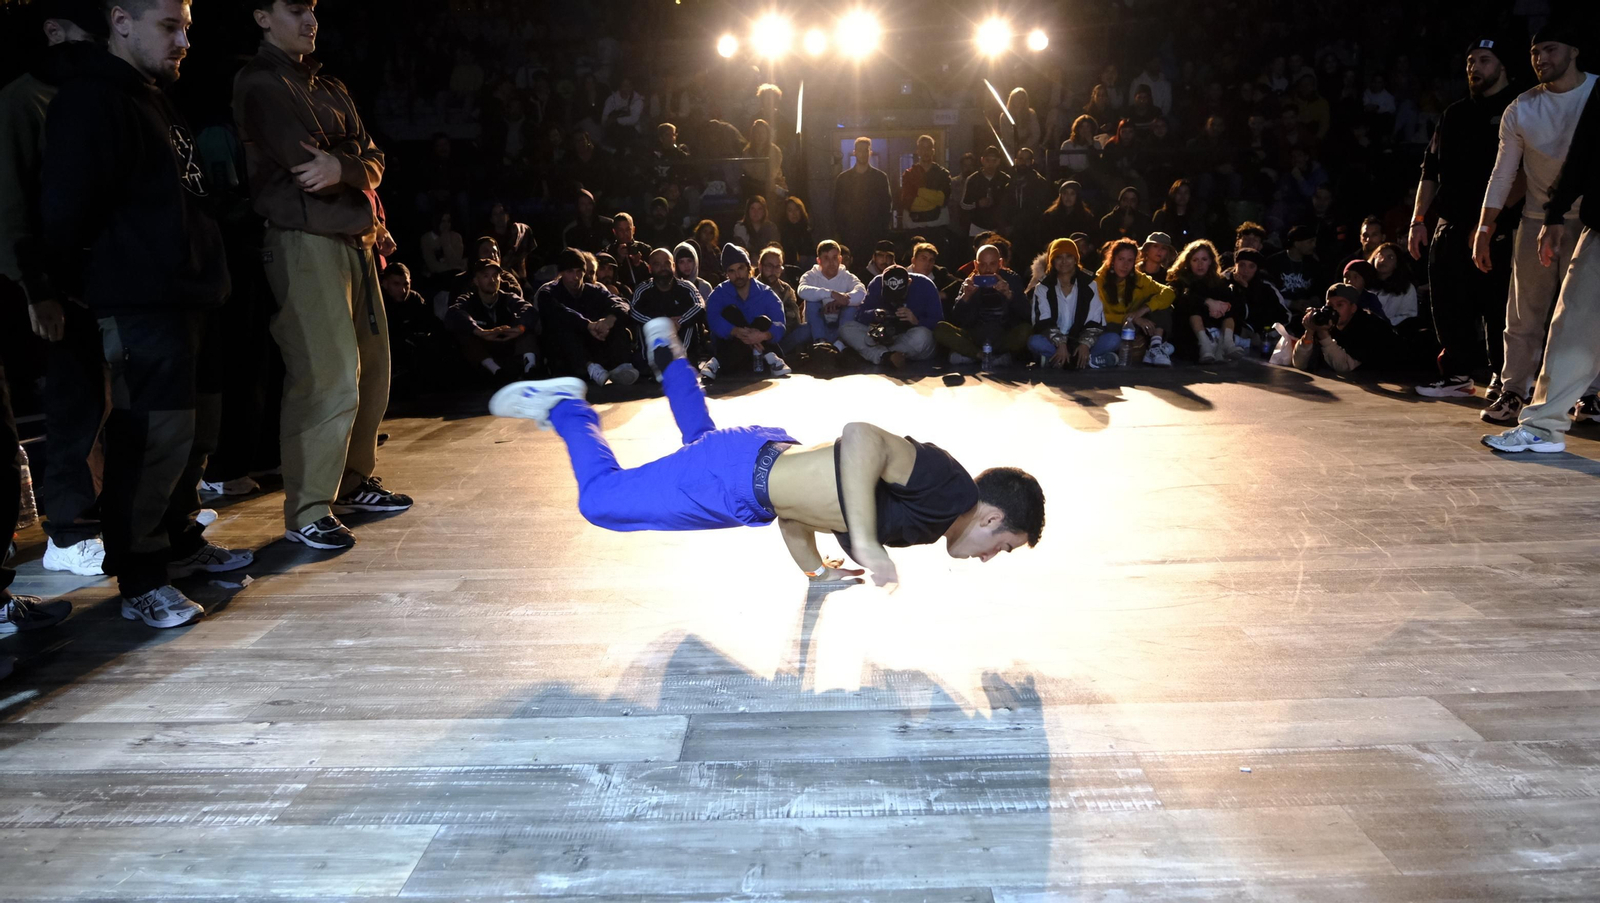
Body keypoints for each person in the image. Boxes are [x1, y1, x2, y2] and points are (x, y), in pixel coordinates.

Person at [488, 318, 1045, 587]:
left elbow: (800, 508)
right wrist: (870, 547)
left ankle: (667, 350)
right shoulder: (950, 488)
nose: (994, 556)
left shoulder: (927, 522)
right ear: (992, 517)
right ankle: (568, 407)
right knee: (601, 501)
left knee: (699, 439)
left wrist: (814, 571)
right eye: (1006, 545)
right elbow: (859, 436)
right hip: (736, 478)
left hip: (758, 464)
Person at [44, 0, 253, 626]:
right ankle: (139, 579)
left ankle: (179, 545)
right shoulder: (88, 100)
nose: (184, 39)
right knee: (151, 440)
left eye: (188, 25)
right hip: (140, 301)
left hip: (190, 296)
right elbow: (64, 212)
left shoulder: (153, 95)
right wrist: (69, 288)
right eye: (171, 26)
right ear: (120, 20)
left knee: (197, 434)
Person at [1, 0, 109, 578]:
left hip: (93, 281)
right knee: (70, 404)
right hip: (49, 287)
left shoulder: (85, 95)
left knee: (99, 402)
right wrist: (32, 288)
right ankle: (68, 533)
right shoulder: (22, 100)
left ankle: (92, 517)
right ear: (54, 31)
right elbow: (11, 204)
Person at [1474, 27, 1596, 426]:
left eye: (1550, 49)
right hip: (1536, 220)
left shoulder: (1596, 93)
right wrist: (1484, 227)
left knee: (1585, 313)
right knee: (1525, 311)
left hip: (1591, 221)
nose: (1540, 58)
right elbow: (1503, 173)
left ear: (1574, 50)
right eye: (1535, 51)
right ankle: (1514, 389)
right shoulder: (1521, 107)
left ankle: (1590, 395)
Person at [1410, 42, 1519, 400]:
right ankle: (1457, 374)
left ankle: (1506, 380)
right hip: (1450, 224)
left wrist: (1490, 223)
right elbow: (1430, 170)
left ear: (1503, 67)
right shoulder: (1453, 113)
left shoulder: (1517, 107)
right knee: (1448, 302)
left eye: (1484, 60)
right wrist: (1419, 220)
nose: (1474, 67)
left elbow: (1525, 175)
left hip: (1496, 225)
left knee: (1497, 305)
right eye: (1470, 61)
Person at [535, 248, 638, 388]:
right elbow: (559, 313)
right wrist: (588, 325)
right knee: (562, 327)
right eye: (570, 272)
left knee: (617, 320)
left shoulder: (594, 290)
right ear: (562, 273)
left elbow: (621, 303)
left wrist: (609, 320)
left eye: (579, 271)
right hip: (565, 353)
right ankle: (590, 367)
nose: (575, 277)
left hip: (593, 344)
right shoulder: (548, 293)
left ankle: (619, 366)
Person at [700, 243, 790, 382]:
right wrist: (734, 331)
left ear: (749, 268)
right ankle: (771, 356)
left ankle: (717, 361)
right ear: (727, 274)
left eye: (741, 268)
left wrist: (763, 335)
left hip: (759, 353)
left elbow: (780, 322)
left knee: (762, 321)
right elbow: (712, 318)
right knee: (730, 312)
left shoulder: (765, 292)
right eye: (732, 271)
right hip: (732, 353)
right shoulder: (719, 293)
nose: (738, 275)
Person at [936, 244, 1030, 367]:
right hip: (975, 337)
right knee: (940, 329)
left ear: (1000, 263)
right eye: (983, 264)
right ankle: (981, 356)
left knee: (1026, 330)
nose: (988, 269)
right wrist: (966, 297)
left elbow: (1027, 313)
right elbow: (956, 319)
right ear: (976, 265)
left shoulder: (1011, 280)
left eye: (992, 264)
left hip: (1002, 336)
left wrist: (1009, 295)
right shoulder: (969, 282)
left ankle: (975, 356)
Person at [1028, 238, 1115, 370]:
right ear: (1052, 261)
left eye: (1069, 256)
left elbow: (1095, 320)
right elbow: (1042, 322)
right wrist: (1061, 343)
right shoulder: (1043, 287)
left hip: (1081, 340)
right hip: (1055, 343)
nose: (1064, 262)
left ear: (1076, 259)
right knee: (1034, 342)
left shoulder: (1089, 284)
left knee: (1113, 339)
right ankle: (1086, 362)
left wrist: (1085, 344)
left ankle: (1058, 361)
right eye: (1059, 257)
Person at [446, 257, 539, 380]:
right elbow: (454, 313)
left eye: (496, 275)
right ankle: (496, 372)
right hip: (485, 350)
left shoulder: (508, 298)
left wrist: (519, 328)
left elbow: (528, 309)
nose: (492, 280)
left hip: (507, 344)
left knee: (528, 329)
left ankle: (530, 370)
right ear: (476, 281)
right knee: (464, 334)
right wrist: (479, 331)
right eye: (486, 276)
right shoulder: (468, 300)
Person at [842, 264, 940, 369]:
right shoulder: (876, 283)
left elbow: (939, 323)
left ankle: (879, 355)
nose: (894, 300)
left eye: (899, 295)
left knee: (923, 336)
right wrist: (874, 314)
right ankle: (888, 356)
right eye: (890, 295)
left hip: (909, 339)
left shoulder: (926, 285)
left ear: (909, 283)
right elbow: (859, 315)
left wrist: (916, 321)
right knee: (846, 328)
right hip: (883, 337)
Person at [1096, 239, 1177, 366]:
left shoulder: (1139, 278)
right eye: (1121, 259)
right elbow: (1101, 316)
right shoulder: (1099, 281)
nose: (1125, 265)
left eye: (1130, 260)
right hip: (1110, 326)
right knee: (1112, 337)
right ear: (1113, 260)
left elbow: (1169, 292)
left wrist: (1143, 310)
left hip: (1133, 326)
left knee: (1163, 304)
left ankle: (1155, 346)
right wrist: (1132, 319)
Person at [1291, 284, 1396, 374]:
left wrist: (1323, 334)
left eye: (1340, 305)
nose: (1334, 309)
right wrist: (1309, 331)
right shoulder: (1326, 322)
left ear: (1353, 308)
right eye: (1330, 305)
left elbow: (1345, 367)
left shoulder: (1368, 326)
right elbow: (1299, 363)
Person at [629, 247, 705, 369]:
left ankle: (679, 360)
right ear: (650, 268)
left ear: (673, 266)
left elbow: (700, 306)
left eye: (666, 263)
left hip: (683, 347)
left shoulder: (686, 287)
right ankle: (653, 363)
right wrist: (663, 324)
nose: (663, 267)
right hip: (654, 346)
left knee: (691, 321)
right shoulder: (643, 290)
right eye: (657, 264)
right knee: (644, 325)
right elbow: (633, 311)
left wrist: (680, 321)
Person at [1169, 239, 1241, 363]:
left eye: (1204, 259)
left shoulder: (1218, 281)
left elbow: (1229, 300)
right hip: (1188, 328)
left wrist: (1220, 307)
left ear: (1210, 262)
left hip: (1213, 322)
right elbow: (1181, 299)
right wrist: (1208, 302)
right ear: (1188, 262)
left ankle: (1228, 343)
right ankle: (1205, 345)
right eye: (1195, 260)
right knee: (1192, 307)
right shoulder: (1180, 279)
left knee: (1228, 305)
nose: (1200, 264)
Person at [832, 136, 892, 269]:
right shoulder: (843, 179)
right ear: (855, 152)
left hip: (873, 233)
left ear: (870, 152)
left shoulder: (880, 178)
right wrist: (842, 231)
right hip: (851, 234)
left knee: (873, 269)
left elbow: (886, 206)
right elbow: (837, 207)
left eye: (866, 150)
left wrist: (882, 232)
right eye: (860, 150)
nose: (863, 154)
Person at [795, 240, 866, 347]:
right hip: (816, 326)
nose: (831, 262)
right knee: (812, 302)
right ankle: (821, 342)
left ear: (840, 259)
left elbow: (862, 292)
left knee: (851, 307)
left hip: (839, 325)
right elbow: (802, 290)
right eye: (826, 258)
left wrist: (841, 301)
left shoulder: (847, 277)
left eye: (835, 258)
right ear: (819, 261)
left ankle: (840, 343)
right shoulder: (810, 276)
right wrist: (831, 294)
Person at [1226, 248, 1290, 345]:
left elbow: (1284, 315)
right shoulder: (1224, 282)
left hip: (1258, 336)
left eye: (1251, 266)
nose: (1245, 271)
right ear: (1236, 265)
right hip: (1231, 332)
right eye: (1242, 265)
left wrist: (1247, 289)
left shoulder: (1266, 287)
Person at [898, 134, 952, 239]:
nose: (925, 151)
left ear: (933, 151)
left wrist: (919, 191)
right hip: (914, 227)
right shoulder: (909, 174)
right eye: (922, 148)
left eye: (928, 148)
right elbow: (908, 203)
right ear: (918, 151)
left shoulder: (943, 174)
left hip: (938, 227)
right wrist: (933, 200)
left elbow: (942, 200)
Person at [1268, 224, 1324, 321]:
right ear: (1297, 243)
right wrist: (1291, 303)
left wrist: (1310, 302)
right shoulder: (1274, 262)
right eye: (1310, 242)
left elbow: (1319, 291)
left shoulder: (1314, 264)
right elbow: (1267, 295)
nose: (1314, 245)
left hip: (1306, 316)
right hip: (1278, 314)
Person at [960, 145, 1010, 238]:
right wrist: (978, 204)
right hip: (977, 227)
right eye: (987, 160)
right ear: (982, 160)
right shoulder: (972, 179)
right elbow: (963, 205)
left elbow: (1010, 205)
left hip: (998, 228)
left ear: (998, 161)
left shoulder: (1005, 179)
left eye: (994, 160)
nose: (990, 164)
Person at [485, 201, 535, 281]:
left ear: (507, 216)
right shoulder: (488, 238)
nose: (499, 217)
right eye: (495, 214)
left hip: (520, 274)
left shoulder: (515, 233)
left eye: (502, 213)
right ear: (491, 219)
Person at [604, 212, 651, 294]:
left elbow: (653, 273)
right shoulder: (608, 252)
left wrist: (639, 264)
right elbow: (607, 279)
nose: (625, 234)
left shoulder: (644, 249)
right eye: (621, 230)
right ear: (614, 232)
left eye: (628, 229)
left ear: (633, 230)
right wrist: (619, 260)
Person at [1038, 181, 1096, 245]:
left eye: (1072, 193)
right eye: (1065, 193)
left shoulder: (1086, 217)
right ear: (1061, 196)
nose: (1068, 197)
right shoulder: (1049, 216)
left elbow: (1091, 241)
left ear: (1077, 197)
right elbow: (1043, 240)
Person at [1150, 179, 1199, 248]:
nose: (1182, 196)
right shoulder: (1162, 216)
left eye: (1186, 193)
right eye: (1179, 192)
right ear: (1173, 194)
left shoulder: (1195, 218)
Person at [560, 188, 612, 253]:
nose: (587, 207)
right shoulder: (570, 230)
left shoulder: (608, 224)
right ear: (578, 206)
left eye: (589, 203)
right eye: (583, 204)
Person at [419, 209, 466, 279]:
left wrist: (447, 244)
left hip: (454, 276)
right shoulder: (426, 239)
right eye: (443, 221)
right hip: (436, 278)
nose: (446, 225)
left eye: (448, 221)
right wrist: (452, 268)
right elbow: (432, 266)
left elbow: (455, 261)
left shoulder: (456, 237)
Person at [778, 196, 815, 267]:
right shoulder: (782, 231)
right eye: (790, 210)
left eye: (796, 209)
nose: (794, 213)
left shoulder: (809, 230)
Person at [690, 219, 724, 285]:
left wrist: (710, 252)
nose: (707, 235)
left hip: (711, 277)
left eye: (710, 233)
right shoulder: (693, 246)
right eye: (705, 232)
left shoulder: (715, 249)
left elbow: (718, 268)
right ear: (700, 232)